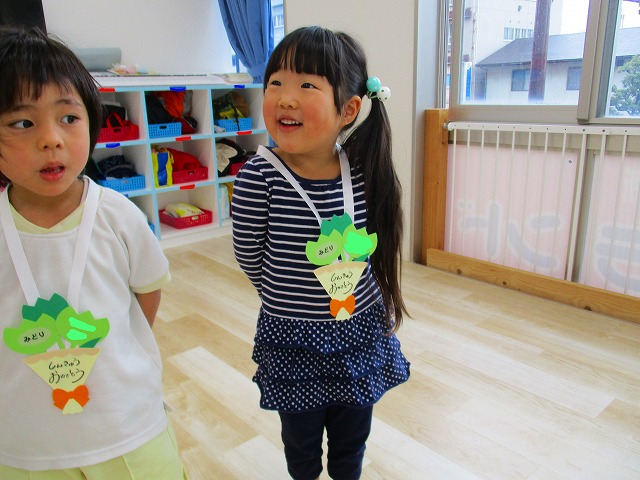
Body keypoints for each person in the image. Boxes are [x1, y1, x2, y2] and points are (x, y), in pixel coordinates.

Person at [0, 27, 186, 479]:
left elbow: (147, 292)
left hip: (128, 427)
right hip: (26, 444)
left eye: (68, 117)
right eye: (22, 123)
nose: (51, 139)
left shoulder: (118, 215)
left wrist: (118, 347)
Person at [232, 26, 410, 480]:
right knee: (302, 446)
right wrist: (286, 297)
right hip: (294, 339)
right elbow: (249, 254)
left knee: (352, 441)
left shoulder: (362, 169)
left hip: (358, 329)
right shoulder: (259, 176)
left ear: (348, 109)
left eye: (307, 85)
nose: (286, 98)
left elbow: (373, 248)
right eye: (276, 82)